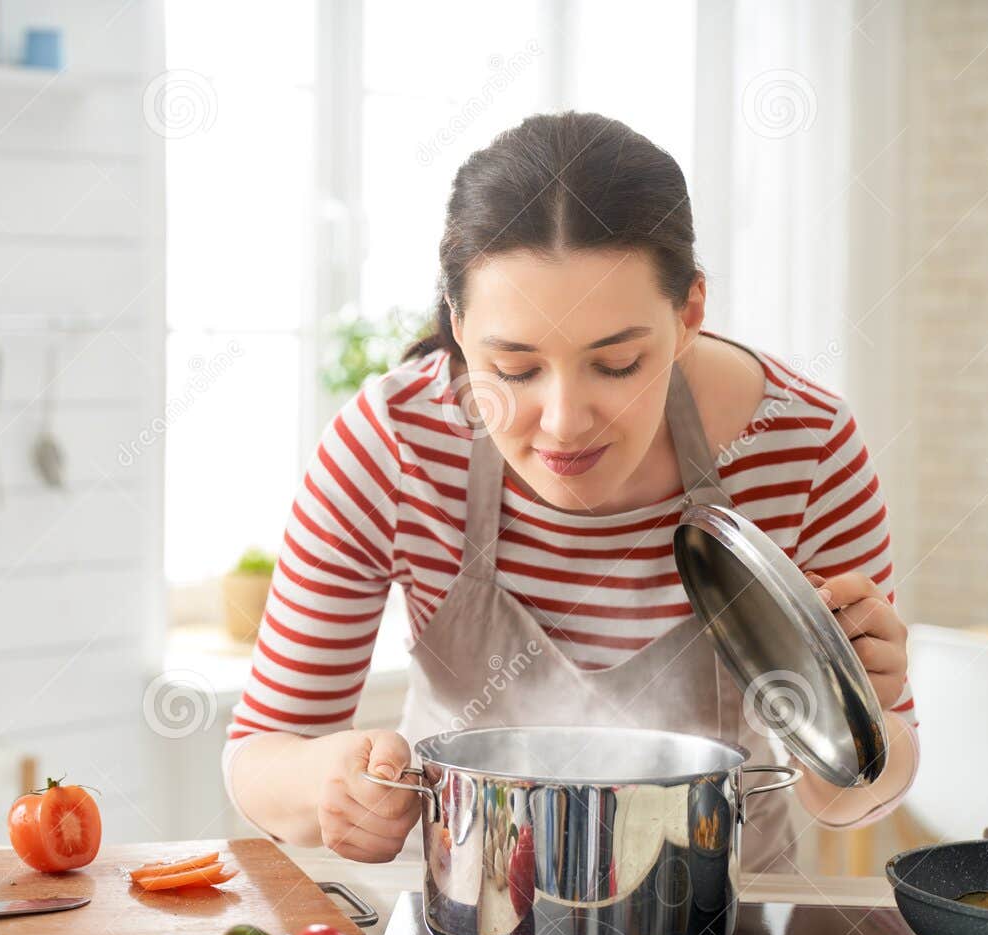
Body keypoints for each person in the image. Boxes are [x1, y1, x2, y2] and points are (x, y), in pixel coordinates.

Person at [224, 111, 918, 869]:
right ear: (457, 323)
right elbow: (260, 753)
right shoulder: (395, 445)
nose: (562, 424)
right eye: (515, 368)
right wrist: (331, 783)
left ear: (688, 314)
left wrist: (861, 714)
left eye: (616, 363)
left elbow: (854, 798)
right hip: (464, 923)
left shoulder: (800, 445)